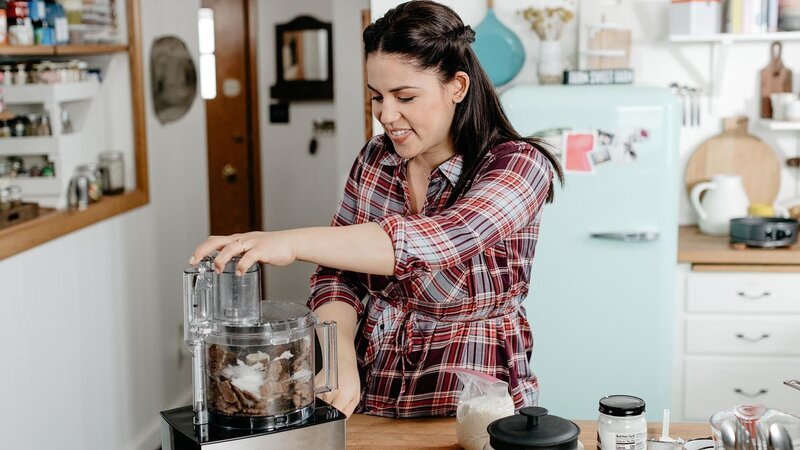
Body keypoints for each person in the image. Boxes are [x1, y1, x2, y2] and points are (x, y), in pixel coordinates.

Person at [190, 0, 563, 419]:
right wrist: (339, 355)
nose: (387, 115)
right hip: (374, 394)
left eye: (405, 96)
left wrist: (290, 242)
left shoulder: (517, 164)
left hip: (473, 402)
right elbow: (336, 273)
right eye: (377, 97)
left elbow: (440, 240)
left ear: (457, 87)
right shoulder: (376, 159)